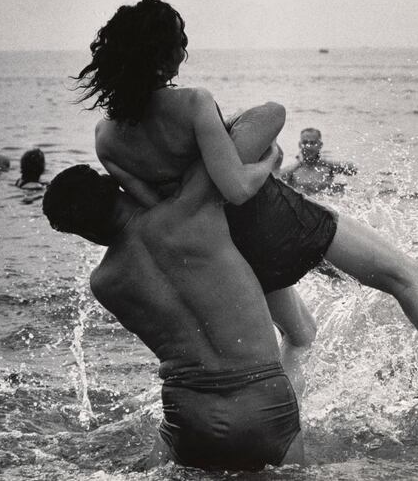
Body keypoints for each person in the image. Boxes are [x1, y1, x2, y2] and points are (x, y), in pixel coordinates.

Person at [78, 0, 418, 420]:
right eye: (180, 43)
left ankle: (287, 422)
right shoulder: (192, 104)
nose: (184, 52)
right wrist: (269, 160)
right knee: (407, 276)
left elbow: (160, 213)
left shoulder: (107, 139)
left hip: (224, 248)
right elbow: (238, 189)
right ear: (164, 53)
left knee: (300, 334)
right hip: (272, 215)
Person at [43, 163, 306, 471]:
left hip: (188, 417)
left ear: (86, 231)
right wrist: (269, 160)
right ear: (115, 187)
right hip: (263, 407)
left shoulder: (105, 283)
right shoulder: (188, 210)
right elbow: (265, 120)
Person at [280, 127, 357, 194]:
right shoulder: (293, 168)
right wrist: (299, 164)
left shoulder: (328, 166)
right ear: (300, 145)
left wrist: (324, 162)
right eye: (305, 142)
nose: (308, 146)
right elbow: (276, 178)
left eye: (312, 143)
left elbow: (353, 170)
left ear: (320, 145)